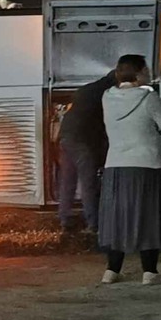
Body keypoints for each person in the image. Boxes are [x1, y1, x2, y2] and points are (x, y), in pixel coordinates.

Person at [97, 54, 161, 283]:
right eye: (146, 70)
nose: (149, 74)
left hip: (116, 165)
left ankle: (112, 270)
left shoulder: (107, 96)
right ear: (139, 73)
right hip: (147, 164)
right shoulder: (148, 98)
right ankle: (149, 271)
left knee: (117, 216)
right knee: (148, 215)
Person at [56, 67, 115, 231]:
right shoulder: (108, 94)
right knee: (88, 182)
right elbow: (102, 125)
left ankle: (64, 219)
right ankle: (93, 223)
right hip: (82, 140)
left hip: (65, 136)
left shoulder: (88, 88)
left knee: (68, 180)